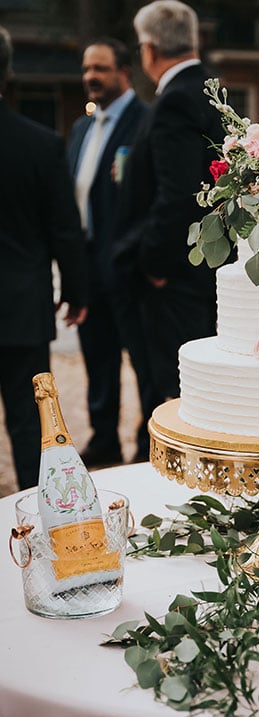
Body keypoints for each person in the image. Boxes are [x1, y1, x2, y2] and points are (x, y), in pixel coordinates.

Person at [114, 0, 233, 402]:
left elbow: (177, 194)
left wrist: (155, 266)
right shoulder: (215, 94)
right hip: (205, 271)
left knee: (176, 394)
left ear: (148, 48)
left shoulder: (175, 101)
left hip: (174, 281)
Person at [0, 25, 88, 491]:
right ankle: (36, 511)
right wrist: (75, 291)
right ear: (9, 70)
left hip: (22, 308)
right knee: (28, 422)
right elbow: (63, 231)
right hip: (21, 307)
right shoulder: (40, 144)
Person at [68, 38, 153, 467]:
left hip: (130, 268)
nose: (90, 77)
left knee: (143, 363)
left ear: (124, 72)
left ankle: (145, 445)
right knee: (97, 358)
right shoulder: (82, 127)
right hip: (87, 268)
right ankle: (104, 440)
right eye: (86, 68)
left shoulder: (146, 122)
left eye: (100, 68)